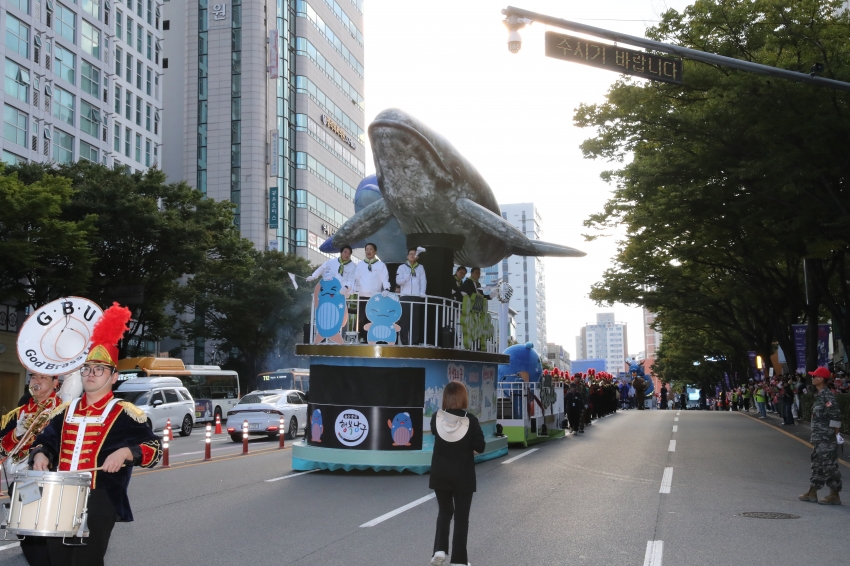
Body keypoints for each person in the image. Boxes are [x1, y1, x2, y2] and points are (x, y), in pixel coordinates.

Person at [30, 304, 162, 566]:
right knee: (57, 559)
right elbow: (45, 440)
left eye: (99, 369)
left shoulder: (126, 413)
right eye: (87, 369)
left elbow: (153, 448)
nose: (91, 374)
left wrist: (126, 452)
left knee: (86, 561)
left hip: (100, 497)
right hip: (60, 495)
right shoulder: (65, 411)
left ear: (114, 377)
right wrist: (41, 454)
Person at [1, 372, 61, 565]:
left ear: (55, 383)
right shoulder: (20, 412)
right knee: (29, 532)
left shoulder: (64, 408)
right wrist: (17, 433)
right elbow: (2, 446)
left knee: (54, 535)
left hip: (54, 479)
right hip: (25, 479)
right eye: (34, 377)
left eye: (43, 378)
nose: (36, 381)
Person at [429, 381, 484, 566]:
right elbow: (480, 447)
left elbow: (438, 435)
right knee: (461, 517)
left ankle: (439, 550)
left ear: (445, 397)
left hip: (440, 474)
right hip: (463, 476)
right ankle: (459, 561)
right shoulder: (471, 420)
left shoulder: (436, 417)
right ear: (463, 397)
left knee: (444, 512)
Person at [798, 367, 843, 505]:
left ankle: (834, 494)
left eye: (814, 376)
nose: (812, 378)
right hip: (819, 438)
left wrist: (837, 435)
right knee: (817, 464)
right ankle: (812, 491)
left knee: (829, 465)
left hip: (827, 438)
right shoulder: (819, 395)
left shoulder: (827, 396)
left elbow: (835, 416)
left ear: (821, 379)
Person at [353, 243, 391, 342]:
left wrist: (386, 288)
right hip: (362, 295)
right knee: (361, 318)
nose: (368, 251)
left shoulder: (381, 265)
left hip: (375, 297)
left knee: (372, 318)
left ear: (375, 252)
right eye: (366, 249)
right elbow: (356, 278)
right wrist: (354, 289)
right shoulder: (360, 264)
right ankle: (362, 337)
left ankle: (372, 338)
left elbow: (385, 278)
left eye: (370, 249)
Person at [396, 247, 427, 345]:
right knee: (405, 319)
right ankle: (404, 340)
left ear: (417, 256)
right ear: (407, 256)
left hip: (416, 296)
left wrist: (422, 292)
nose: (412, 255)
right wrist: (407, 277)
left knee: (415, 319)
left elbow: (423, 281)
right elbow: (398, 281)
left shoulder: (420, 267)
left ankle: (414, 341)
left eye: (414, 254)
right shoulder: (402, 267)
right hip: (405, 295)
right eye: (410, 254)